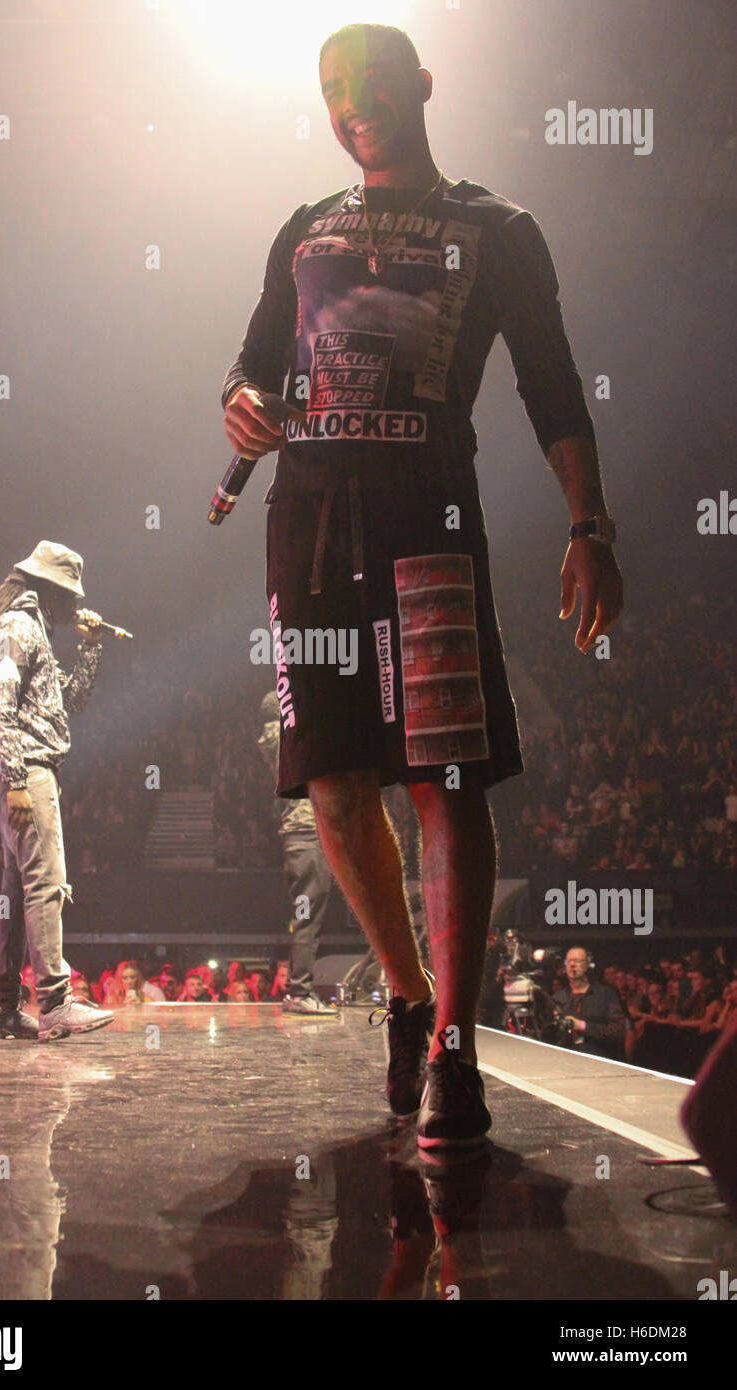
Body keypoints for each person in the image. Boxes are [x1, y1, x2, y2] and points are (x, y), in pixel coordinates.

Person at [222, 23, 623, 1146]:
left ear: (423, 86)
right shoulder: (303, 231)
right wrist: (240, 403)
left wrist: (587, 523)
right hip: (303, 521)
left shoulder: (496, 228)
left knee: (444, 781)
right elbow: (255, 358)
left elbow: (551, 385)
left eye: (373, 83)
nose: (353, 103)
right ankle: (406, 995)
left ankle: (456, 1040)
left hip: (427, 519)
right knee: (335, 785)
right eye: (333, 88)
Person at [0, 540, 115, 1042]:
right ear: (50, 590)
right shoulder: (16, 626)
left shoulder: (35, 630)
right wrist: (15, 781)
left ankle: (1, 1007)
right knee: (47, 884)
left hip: (29, 772)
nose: (75, 607)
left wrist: (92, 647)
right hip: (28, 773)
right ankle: (56, 1002)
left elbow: (71, 700)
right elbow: (0, 707)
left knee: (16, 896)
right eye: (71, 597)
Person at [257, 689, 338, 1014]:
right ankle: (300, 991)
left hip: (302, 835)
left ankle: (300, 990)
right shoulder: (283, 738)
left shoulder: (275, 739)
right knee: (308, 917)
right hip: (307, 834)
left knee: (307, 915)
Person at [552, 947, 629, 1061]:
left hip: (601, 1060)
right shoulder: (558, 998)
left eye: (578, 961)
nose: (572, 964)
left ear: (588, 965)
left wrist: (584, 1026)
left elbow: (618, 1031)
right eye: (569, 961)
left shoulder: (605, 994)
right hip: (567, 1062)